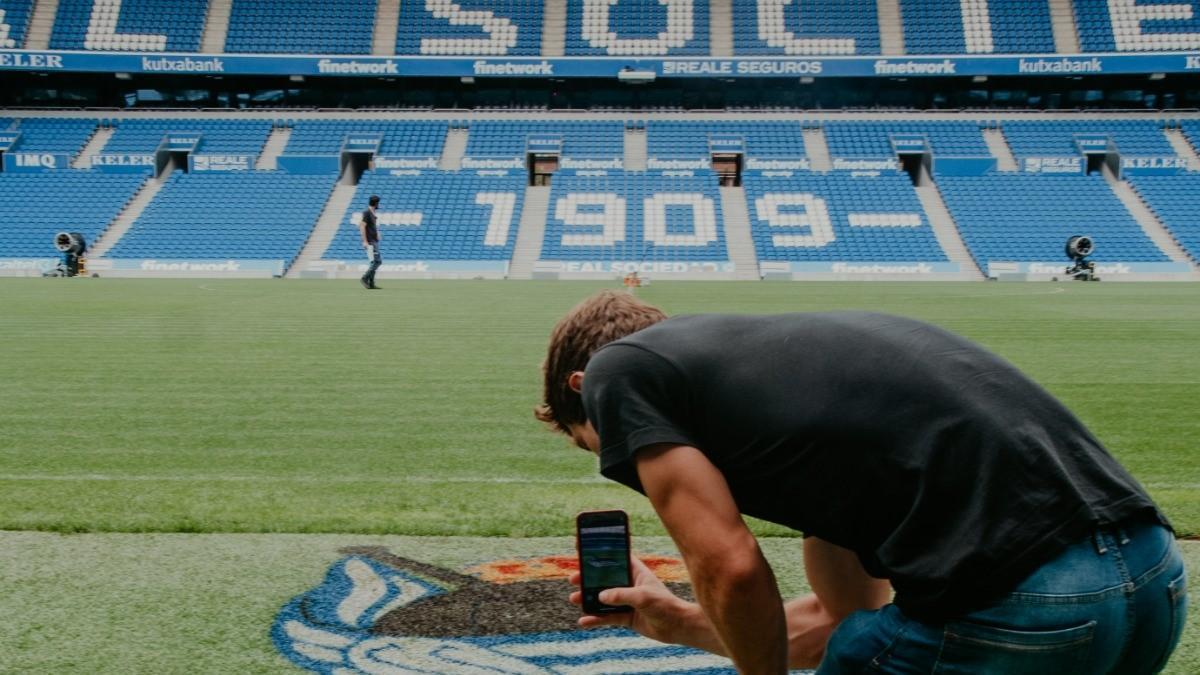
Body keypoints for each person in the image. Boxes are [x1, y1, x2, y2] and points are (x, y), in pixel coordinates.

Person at [536, 290, 1186, 674]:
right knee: (868, 638)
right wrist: (682, 622)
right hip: (1155, 589)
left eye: (587, 438)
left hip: (1026, 606)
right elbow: (843, 615)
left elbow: (732, 569)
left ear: (581, 392)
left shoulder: (616, 371)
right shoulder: (804, 422)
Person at [358, 194, 382, 290]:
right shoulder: (367, 213)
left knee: (374, 262)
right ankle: (365, 278)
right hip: (370, 241)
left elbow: (372, 227)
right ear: (375, 203)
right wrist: (365, 241)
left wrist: (377, 233)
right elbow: (362, 226)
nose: (379, 205)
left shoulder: (372, 214)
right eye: (378, 203)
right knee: (377, 261)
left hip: (374, 240)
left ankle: (371, 283)